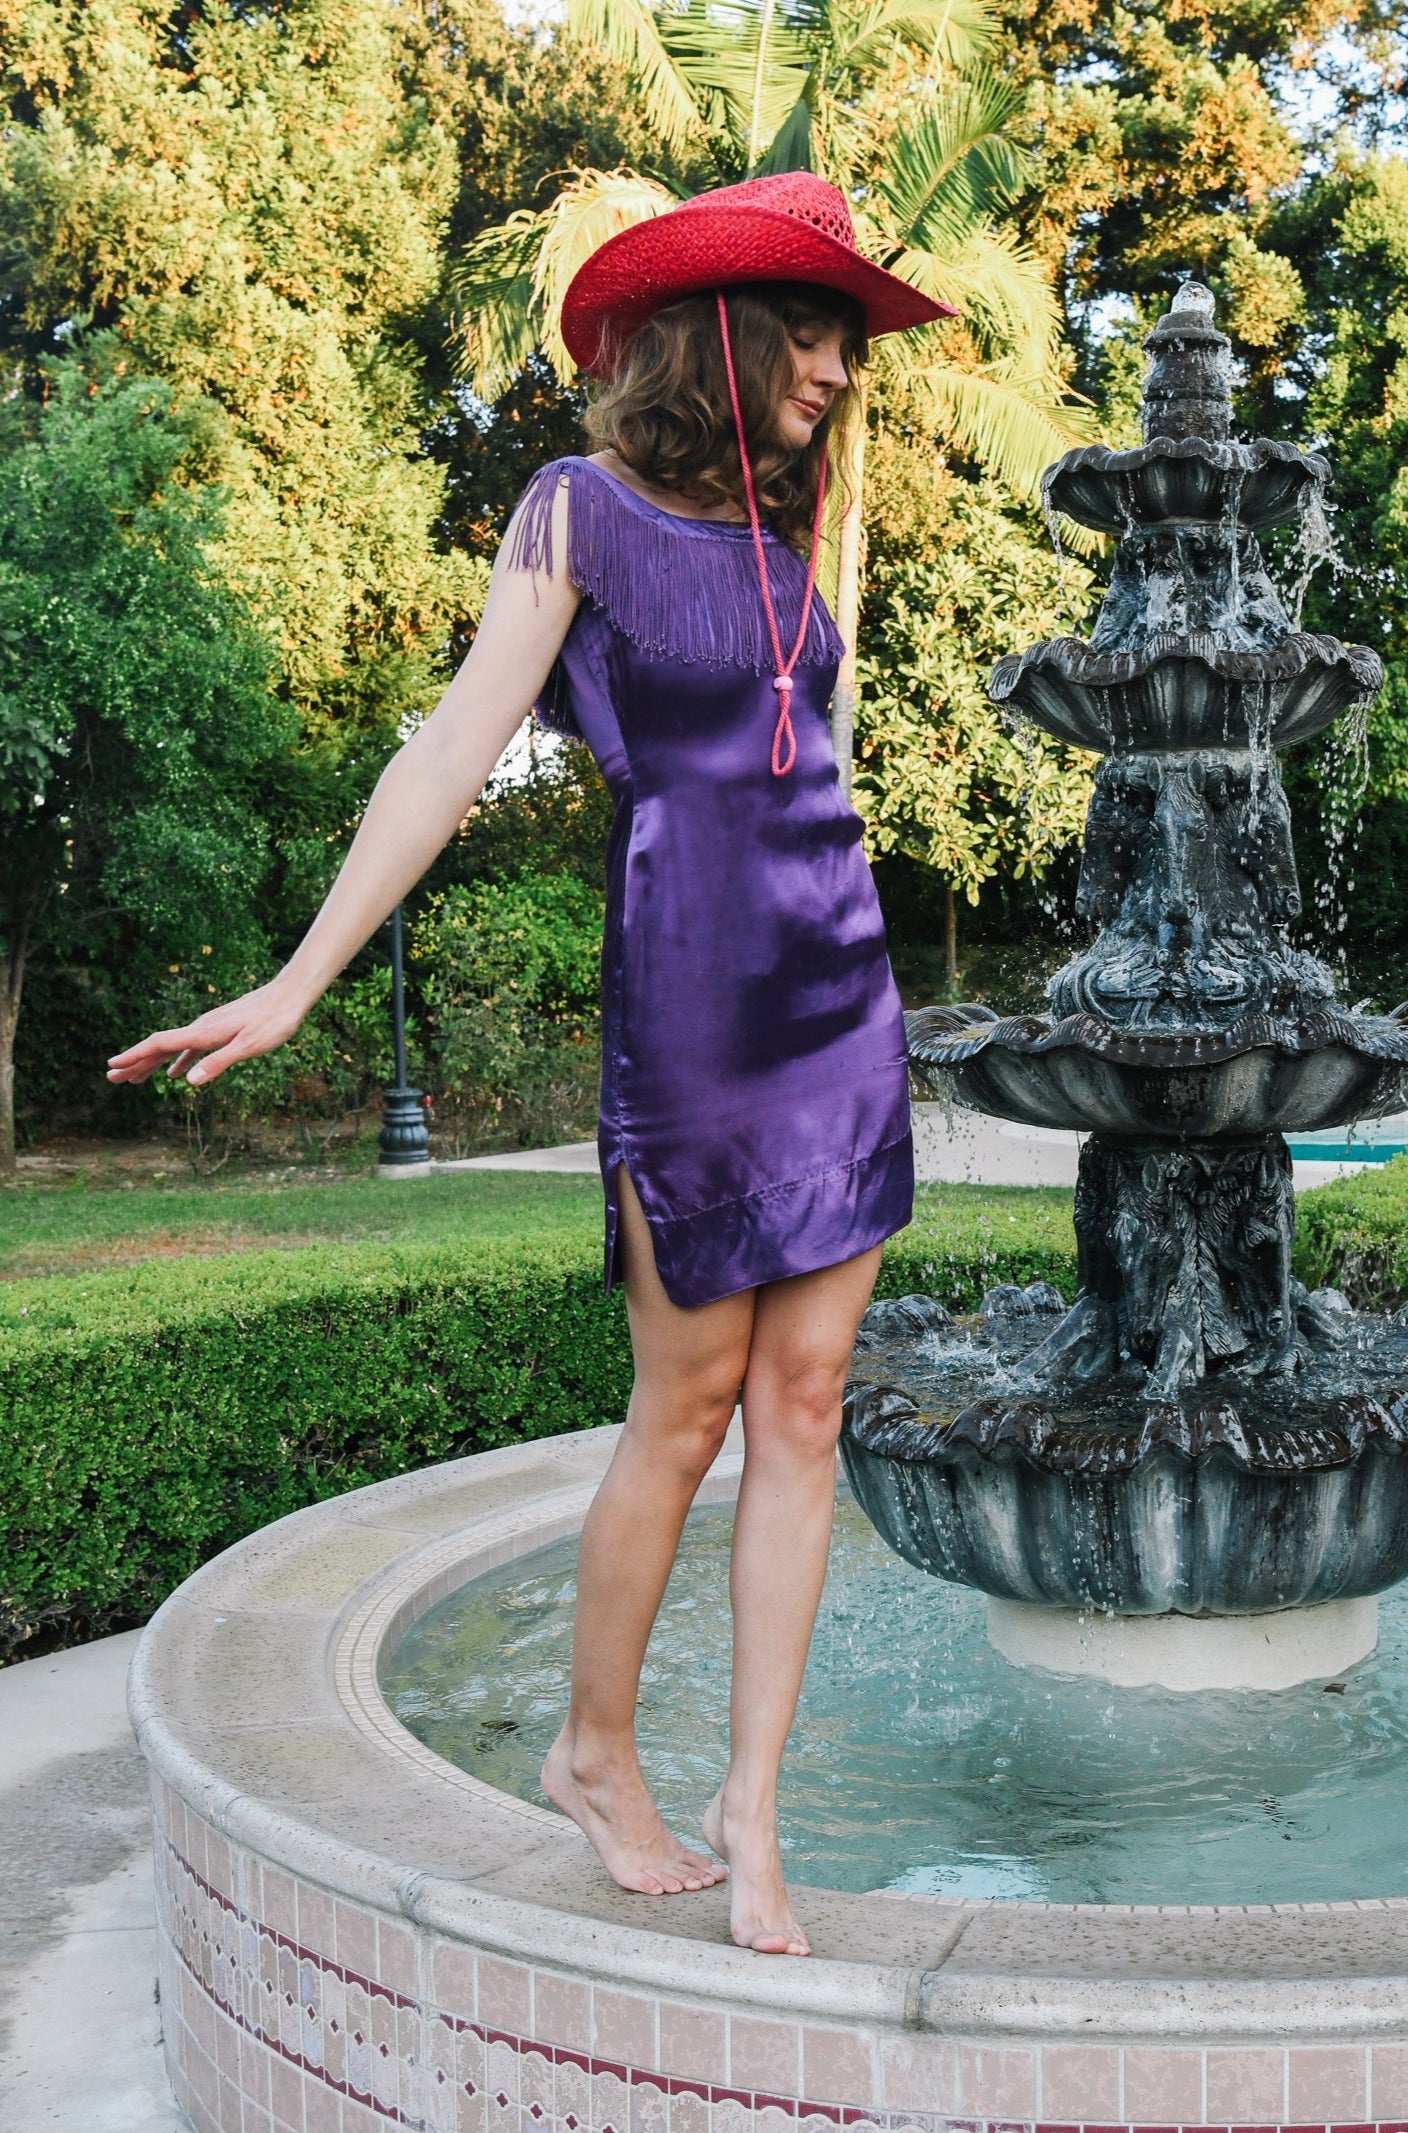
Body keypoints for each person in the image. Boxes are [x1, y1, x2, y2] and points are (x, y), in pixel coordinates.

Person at [107, 173, 955, 1954]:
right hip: (698, 999)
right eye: (811, 332)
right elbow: (444, 752)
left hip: (840, 994)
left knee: (809, 1406)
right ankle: (589, 1750)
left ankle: (754, 1801)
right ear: (722, 332)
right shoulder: (578, 514)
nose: (836, 368)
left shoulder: (798, 538)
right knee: (691, 1401)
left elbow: (814, 764)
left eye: (846, 341)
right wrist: (298, 976)